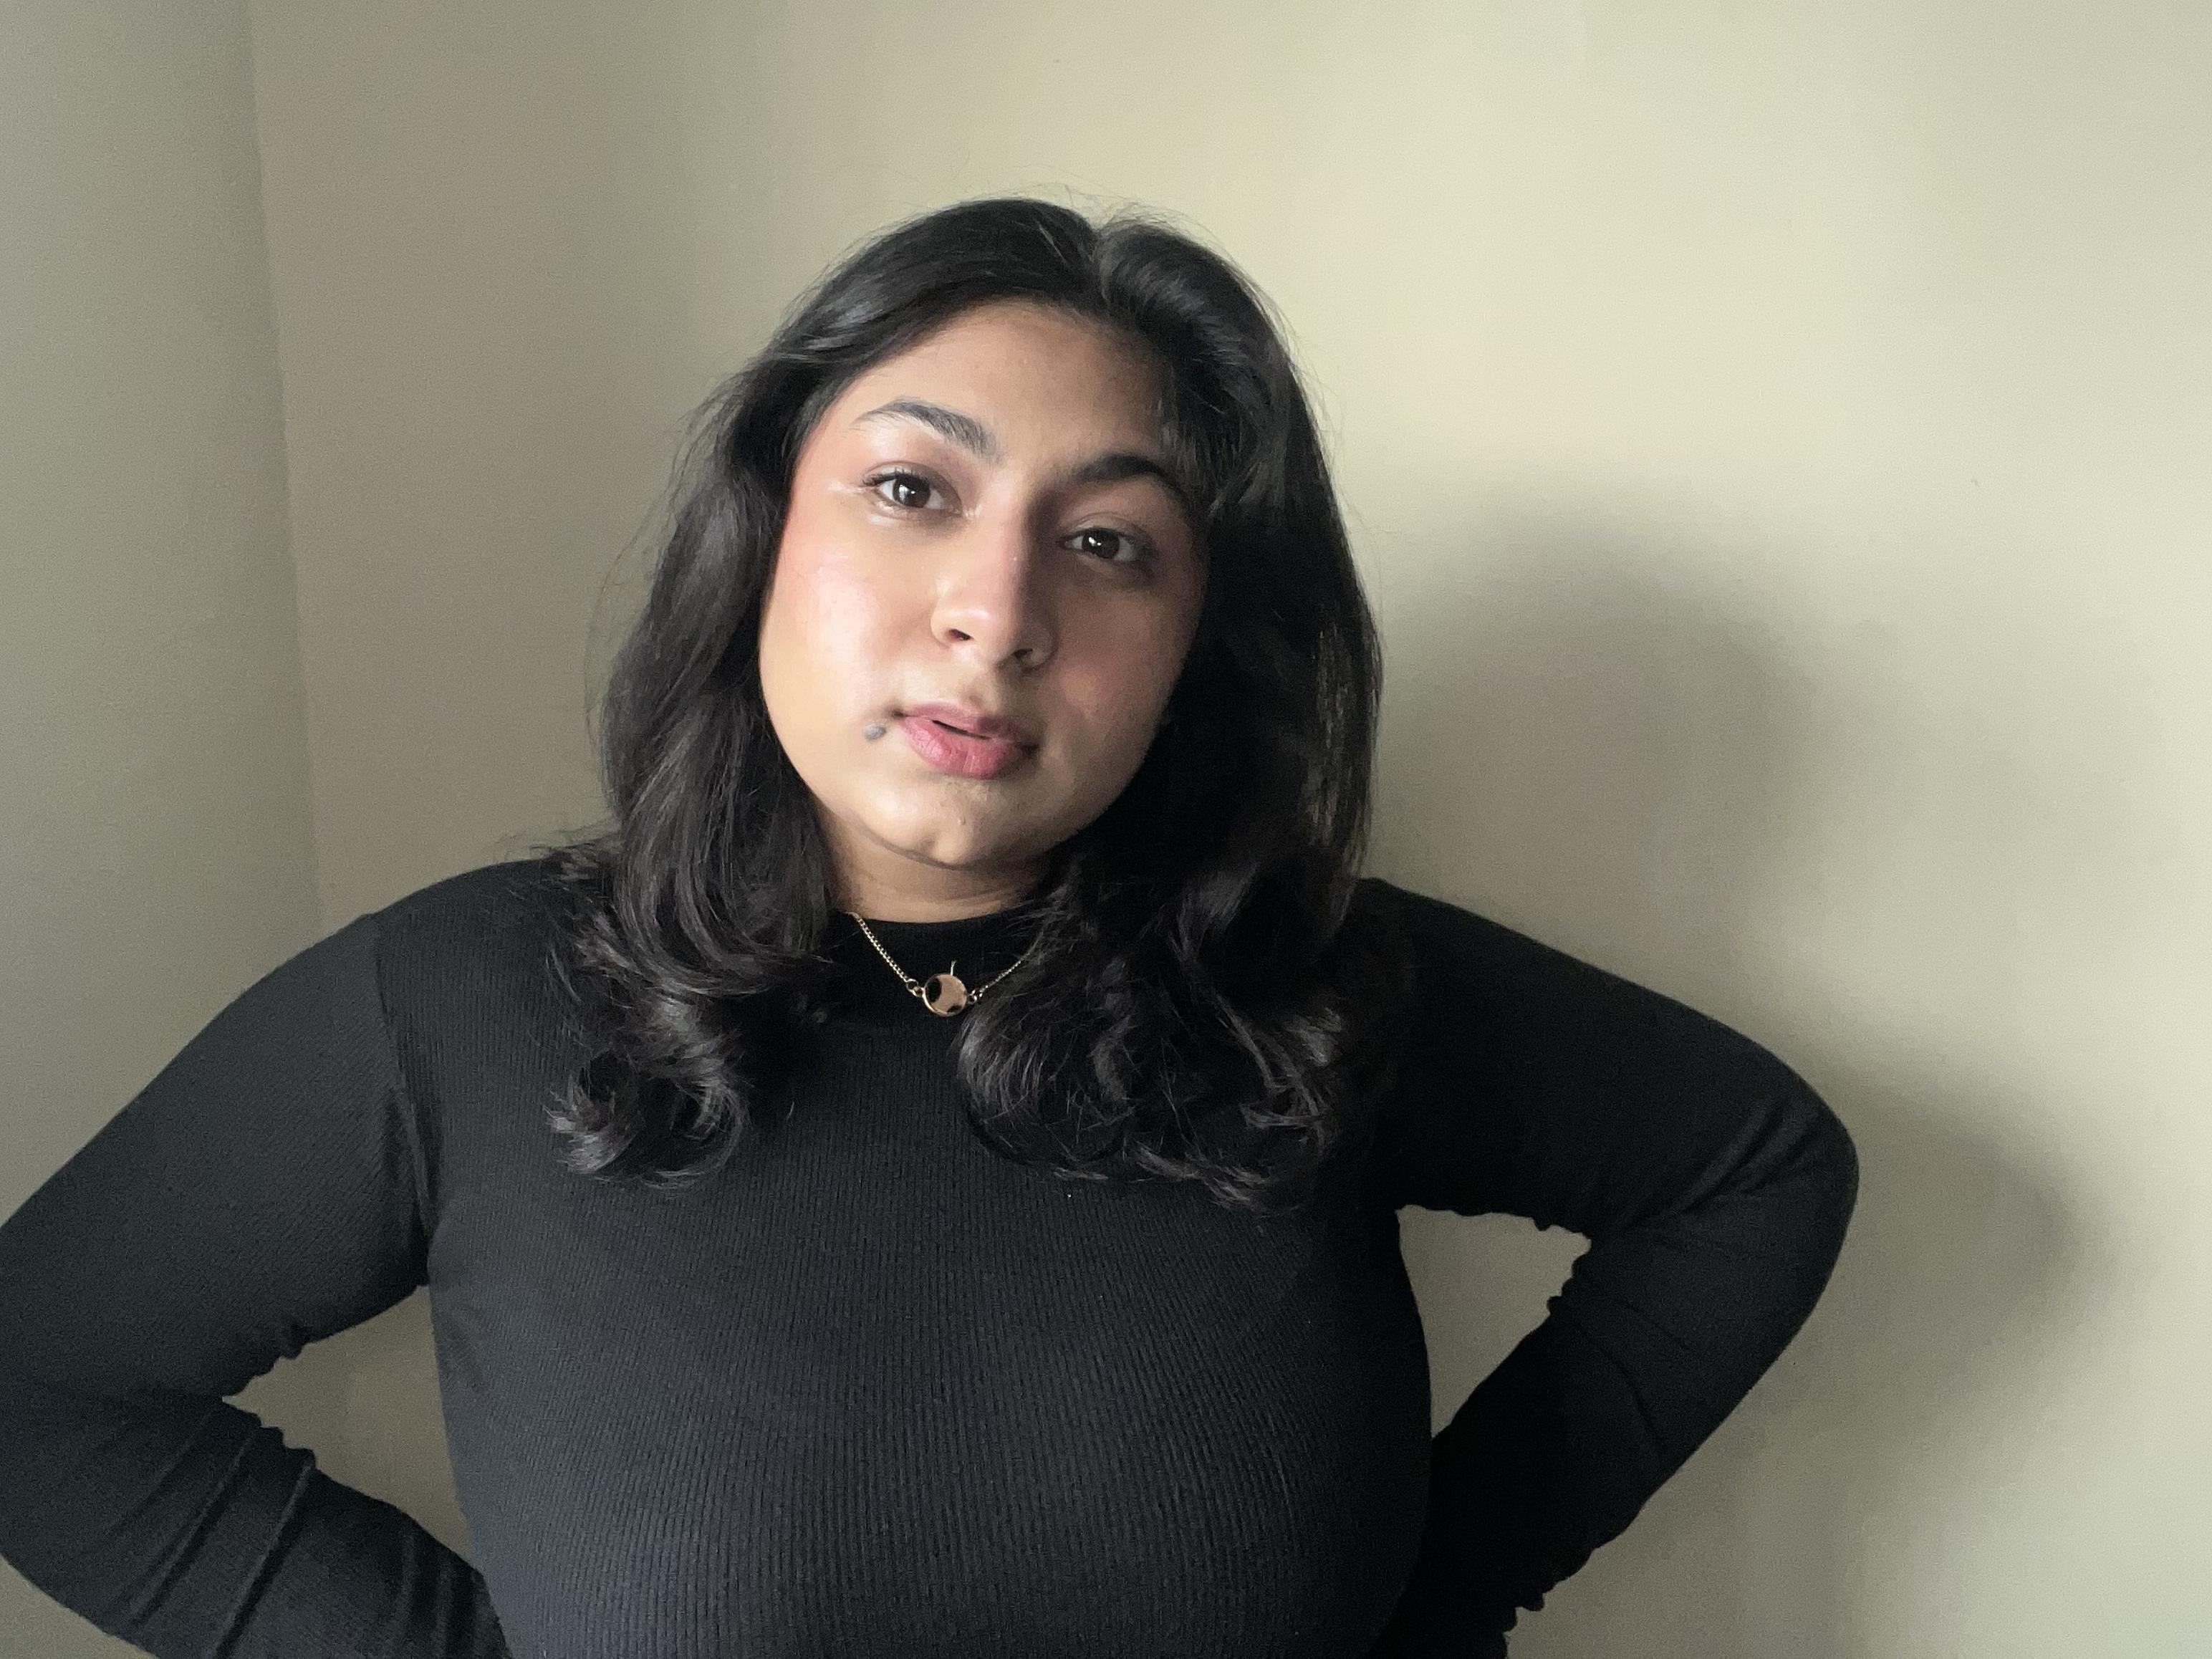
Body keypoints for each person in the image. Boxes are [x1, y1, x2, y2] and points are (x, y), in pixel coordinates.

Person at [0, 196, 1859, 1659]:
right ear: (765, 534)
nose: (998, 610)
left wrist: (1427, 1601)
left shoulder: (1312, 989)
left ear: (1195, 646)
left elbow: (1754, 1168)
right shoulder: (456, 1006)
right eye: (912, 489)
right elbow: (38, 1384)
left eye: (1109, 542)